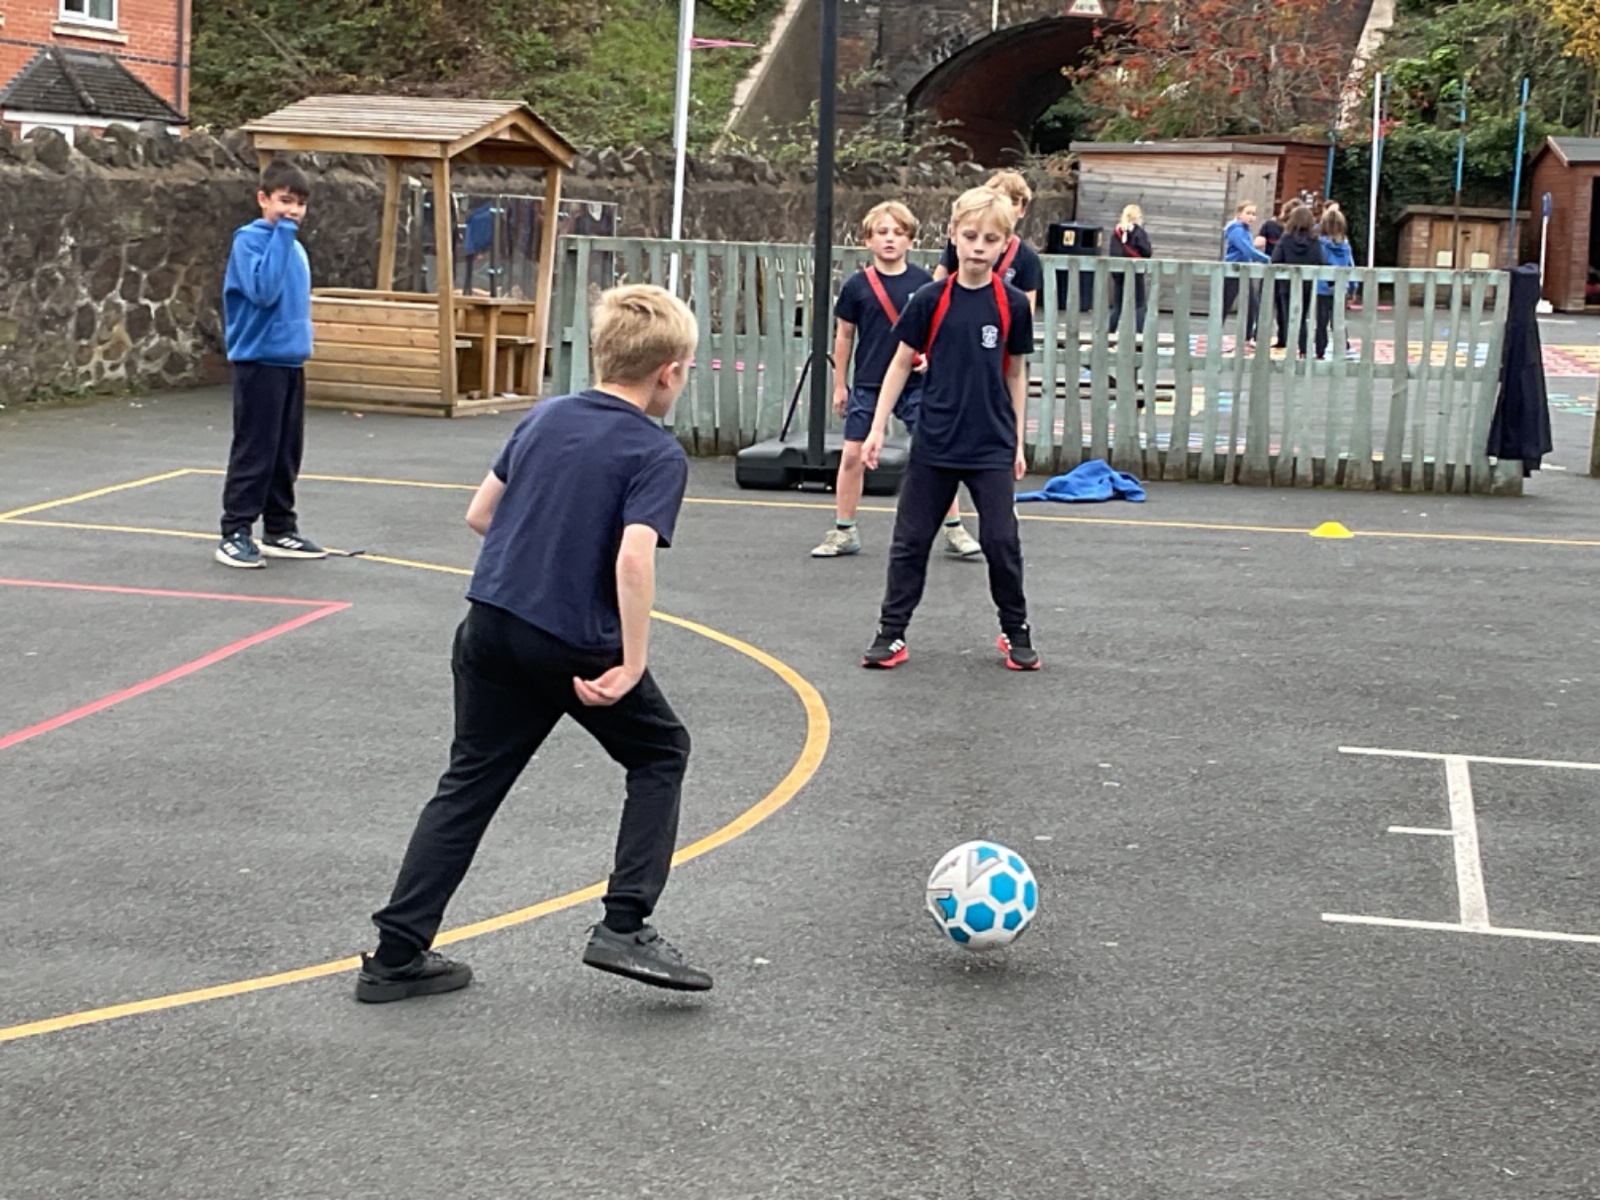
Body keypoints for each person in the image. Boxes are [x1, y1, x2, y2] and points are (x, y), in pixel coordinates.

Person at [356, 284, 711, 1003]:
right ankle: (624, 923)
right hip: (572, 642)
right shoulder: (655, 451)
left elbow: (480, 514)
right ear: (669, 372)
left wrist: (542, 551)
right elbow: (633, 558)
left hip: (491, 622)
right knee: (660, 751)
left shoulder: (546, 416)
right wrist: (632, 660)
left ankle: (395, 955)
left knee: (469, 783)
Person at [860, 188, 1038, 672]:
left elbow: (1015, 372)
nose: (979, 246)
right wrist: (877, 428)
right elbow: (900, 364)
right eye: (971, 236)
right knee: (911, 542)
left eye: (991, 239)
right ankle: (891, 634)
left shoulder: (1013, 304)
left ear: (1005, 244)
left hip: (991, 444)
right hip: (935, 441)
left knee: (1001, 542)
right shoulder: (930, 299)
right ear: (953, 236)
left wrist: (1018, 440)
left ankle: (1016, 630)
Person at [813, 202, 980, 559]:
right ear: (867, 240)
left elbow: (940, 331)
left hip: (916, 384)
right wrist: (840, 384)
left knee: (936, 452)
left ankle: (953, 527)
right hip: (869, 382)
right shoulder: (857, 285)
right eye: (882, 233)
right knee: (852, 455)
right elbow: (844, 336)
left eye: (898, 233)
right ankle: (844, 529)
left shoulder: (924, 284)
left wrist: (930, 358)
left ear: (910, 241)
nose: (890, 239)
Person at [216, 159, 326, 568]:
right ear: (263, 199)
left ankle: (279, 527)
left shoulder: (294, 247)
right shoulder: (250, 242)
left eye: (300, 204)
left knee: (285, 452)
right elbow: (263, 290)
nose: (292, 211)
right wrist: (282, 235)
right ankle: (235, 531)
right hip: (258, 360)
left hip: (290, 360)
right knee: (256, 449)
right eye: (284, 201)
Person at [932, 169, 1043, 309]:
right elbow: (937, 283)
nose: (979, 247)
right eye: (1000, 200)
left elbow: (1027, 309)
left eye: (1013, 202)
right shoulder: (959, 244)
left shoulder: (1027, 258)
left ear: (1022, 210)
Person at [1269, 204, 1325, 357]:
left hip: (1287, 284)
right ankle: (1304, 349)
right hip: (1306, 284)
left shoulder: (1285, 239)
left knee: (1289, 316)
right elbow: (1321, 261)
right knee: (1302, 317)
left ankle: (1291, 346)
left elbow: (1275, 259)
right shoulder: (1314, 240)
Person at [1221, 201, 1270, 346]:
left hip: (1244, 270)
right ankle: (1216, 332)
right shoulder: (1236, 230)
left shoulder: (1245, 230)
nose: (1251, 217)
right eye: (1248, 213)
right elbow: (1247, 250)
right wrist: (1267, 259)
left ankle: (1248, 336)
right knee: (1225, 303)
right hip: (1233, 270)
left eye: (1254, 214)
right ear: (1239, 215)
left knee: (1252, 304)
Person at [1316, 206, 1357, 361]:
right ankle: (1343, 346)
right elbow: (1350, 266)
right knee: (1339, 320)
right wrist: (1353, 287)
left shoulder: (1320, 243)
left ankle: (1320, 350)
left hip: (1322, 286)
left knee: (1321, 321)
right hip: (1340, 286)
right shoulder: (1345, 245)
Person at [1108, 203, 1153, 336]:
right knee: (1139, 304)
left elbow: (1113, 252)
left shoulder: (1116, 232)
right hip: (1135, 271)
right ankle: (1139, 333)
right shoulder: (1139, 232)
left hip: (1119, 272)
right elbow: (1147, 251)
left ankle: (1110, 331)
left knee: (1117, 305)